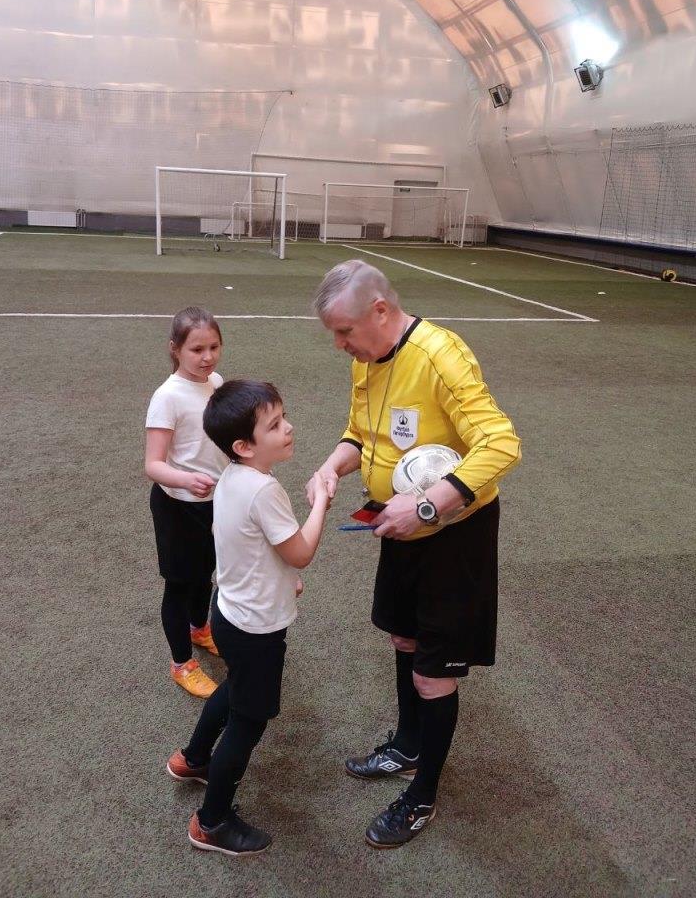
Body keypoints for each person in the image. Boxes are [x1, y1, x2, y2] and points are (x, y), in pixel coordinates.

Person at [306, 259, 521, 849]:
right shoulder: (367, 359)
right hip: (396, 526)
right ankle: (407, 747)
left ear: (380, 310)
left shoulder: (440, 355)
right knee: (403, 637)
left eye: (344, 331)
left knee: (433, 671)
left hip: (452, 537)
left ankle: (422, 796)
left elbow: (501, 443)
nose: (340, 344)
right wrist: (332, 466)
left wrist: (426, 507)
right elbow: (361, 434)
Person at [166, 380, 329, 856]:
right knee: (248, 721)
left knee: (235, 687)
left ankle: (193, 759)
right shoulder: (265, 490)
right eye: (274, 425)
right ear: (243, 446)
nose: (288, 428)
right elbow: (299, 552)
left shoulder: (231, 477)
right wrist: (321, 500)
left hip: (229, 614)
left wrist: (282, 578)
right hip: (257, 630)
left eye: (284, 417)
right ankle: (211, 822)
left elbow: (247, 545)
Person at [145, 307, 227, 699]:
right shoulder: (167, 397)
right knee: (179, 584)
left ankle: (200, 628)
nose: (207, 357)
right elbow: (153, 464)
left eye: (214, 347)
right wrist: (186, 479)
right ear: (175, 349)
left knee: (205, 572)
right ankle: (181, 663)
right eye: (197, 349)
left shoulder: (216, 383)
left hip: (215, 501)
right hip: (178, 506)